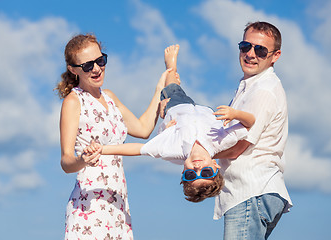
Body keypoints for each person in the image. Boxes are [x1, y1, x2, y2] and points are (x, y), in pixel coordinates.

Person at [86, 44, 255, 203]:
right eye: (205, 172)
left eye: (190, 174)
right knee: (175, 104)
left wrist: (102, 149)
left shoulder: (173, 149)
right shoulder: (221, 142)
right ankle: (166, 103)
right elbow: (250, 123)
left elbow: (138, 149)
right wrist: (236, 114)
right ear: (215, 165)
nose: (197, 168)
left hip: (176, 106)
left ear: (183, 171)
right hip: (203, 110)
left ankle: (170, 67)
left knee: (171, 85)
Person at [55, 34, 165, 240]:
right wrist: (81, 160)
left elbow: (142, 129)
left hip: (118, 204)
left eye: (100, 61)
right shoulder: (74, 101)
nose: (96, 69)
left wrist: (160, 89)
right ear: (73, 69)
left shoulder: (110, 97)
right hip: (89, 206)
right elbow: (66, 161)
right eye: (87, 66)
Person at [212, 21, 293, 240]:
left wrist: (201, 154)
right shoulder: (250, 85)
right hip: (254, 192)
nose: (250, 54)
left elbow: (239, 146)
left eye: (260, 49)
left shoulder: (263, 90)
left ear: (275, 56)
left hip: (251, 191)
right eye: (245, 46)